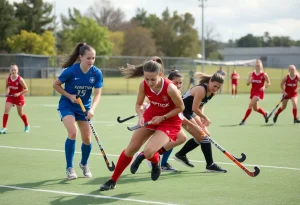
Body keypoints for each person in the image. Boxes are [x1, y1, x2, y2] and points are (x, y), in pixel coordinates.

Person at [100, 57, 185, 191]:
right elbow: (139, 104)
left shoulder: (170, 88)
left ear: (160, 75)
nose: (149, 82)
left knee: (149, 151)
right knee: (131, 149)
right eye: (146, 78)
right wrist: (140, 116)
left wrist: (163, 117)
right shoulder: (143, 85)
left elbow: (180, 108)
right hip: (150, 116)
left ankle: (155, 161)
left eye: (153, 79)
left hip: (170, 120)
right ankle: (113, 180)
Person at [134, 70, 205, 172]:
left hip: (169, 119)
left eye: (181, 83)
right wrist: (145, 106)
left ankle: (153, 156)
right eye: (176, 82)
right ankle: (153, 157)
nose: (179, 85)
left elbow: (179, 114)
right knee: (176, 137)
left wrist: (193, 126)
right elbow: (149, 99)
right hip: (160, 120)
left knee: (181, 138)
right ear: (169, 81)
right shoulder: (166, 88)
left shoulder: (176, 92)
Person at [53, 43, 103, 180]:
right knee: (73, 132)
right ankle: (69, 168)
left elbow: (98, 94)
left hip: (84, 107)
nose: (91, 61)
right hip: (67, 105)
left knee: (87, 138)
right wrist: (69, 96)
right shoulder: (71, 71)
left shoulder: (96, 73)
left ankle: (84, 164)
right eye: (88, 58)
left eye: (93, 58)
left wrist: (92, 109)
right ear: (80, 57)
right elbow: (55, 85)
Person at [173, 72, 227, 173]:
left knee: (206, 135)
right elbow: (194, 107)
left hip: (190, 112)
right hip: (182, 111)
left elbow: (201, 105)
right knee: (203, 137)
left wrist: (201, 116)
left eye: (218, 87)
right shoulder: (201, 89)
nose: (215, 89)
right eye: (214, 86)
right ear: (209, 82)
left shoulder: (212, 92)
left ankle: (181, 154)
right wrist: (205, 117)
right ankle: (210, 165)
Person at [0, 64, 30, 134]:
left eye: (15, 70)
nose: (13, 71)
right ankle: (4, 128)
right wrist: (6, 92)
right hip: (11, 97)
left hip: (19, 98)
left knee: (20, 113)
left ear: (17, 71)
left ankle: (26, 125)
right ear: (10, 70)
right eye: (12, 70)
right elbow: (7, 86)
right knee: (6, 111)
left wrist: (19, 93)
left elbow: (26, 89)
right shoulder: (8, 78)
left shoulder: (20, 79)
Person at [239, 60, 270, 125]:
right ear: (255, 66)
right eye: (256, 65)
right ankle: (265, 114)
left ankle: (243, 120)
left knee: (250, 104)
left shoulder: (264, 74)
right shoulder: (251, 74)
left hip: (259, 93)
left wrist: (264, 87)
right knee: (255, 109)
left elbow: (269, 83)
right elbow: (247, 84)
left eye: (259, 65)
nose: (257, 67)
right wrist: (249, 81)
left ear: (261, 66)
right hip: (253, 92)